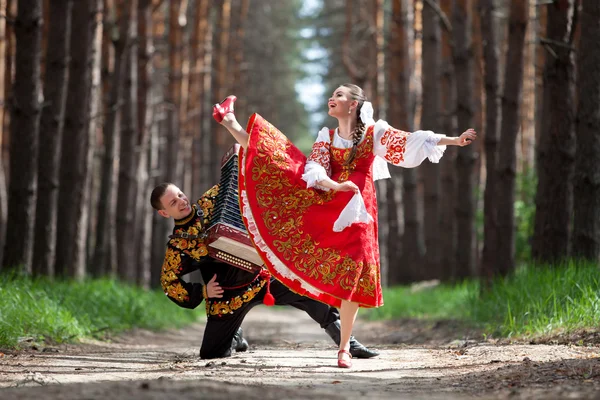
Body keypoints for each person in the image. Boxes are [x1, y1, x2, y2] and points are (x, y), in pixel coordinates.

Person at [213, 83, 477, 368]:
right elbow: (314, 169)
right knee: (284, 162)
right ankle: (230, 122)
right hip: (330, 201)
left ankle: (344, 348)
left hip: (360, 210)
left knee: (354, 273)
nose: (331, 97)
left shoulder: (375, 132)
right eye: (333, 94)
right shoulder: (326, 136)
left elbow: (410, 141)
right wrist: (336, 185)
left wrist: (455, 140)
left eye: (339, 95)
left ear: (353, 105)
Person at [150, 181, 379, 360]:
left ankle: (347, 343)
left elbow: (245, 181)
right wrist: (202, 292)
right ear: (164, 213)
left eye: (180, 194)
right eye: (172, 203)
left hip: (263, 278)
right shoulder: (179, 245)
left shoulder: (213, 199)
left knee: (309, 295)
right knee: (211, 353)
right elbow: (169, 283)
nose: (181, 201)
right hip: (229, 298)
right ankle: (236, 335)